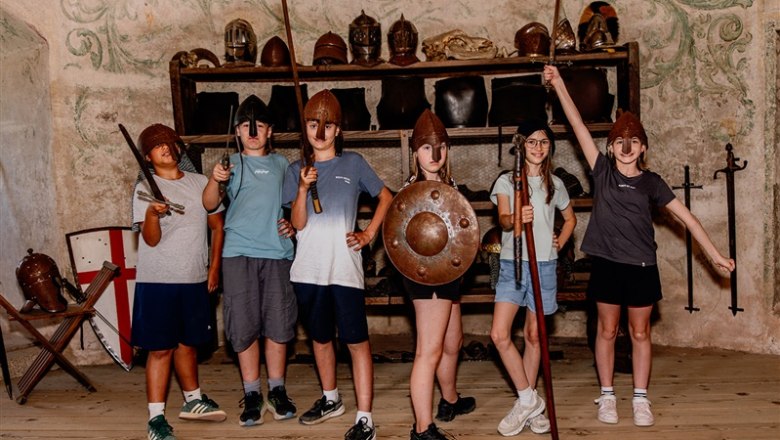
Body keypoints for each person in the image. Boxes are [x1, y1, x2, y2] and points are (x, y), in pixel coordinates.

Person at [544, 65, 735, 427]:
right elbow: (577, 126)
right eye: (619, 142)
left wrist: (716, 257)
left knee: (640, 332)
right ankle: (607, 394)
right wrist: (558, 86)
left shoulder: (652, 183)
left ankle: (641, 397)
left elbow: (688, 219)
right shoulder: (602, 171)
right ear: (611, 147)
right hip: (606, 263)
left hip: (642, 266)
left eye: (633, 142)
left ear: (643, 147)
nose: (626, 147)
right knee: (606, 330)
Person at [282, 89, 393, 440]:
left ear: (339, 130)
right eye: (314, 124)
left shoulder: (354, 163)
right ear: (306, 128)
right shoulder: (295, 169)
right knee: (319, 337)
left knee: (356, 341)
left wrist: (368, 235)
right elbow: (297, 224)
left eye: (327, 126)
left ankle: (365, 418)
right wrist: (301, 189)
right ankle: (331, 399)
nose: (320, 132)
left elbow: (386, 197)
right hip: (307, 270)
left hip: (344, 269)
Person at [202, 95, 298, 427]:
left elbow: (295, 205)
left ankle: (277, 390)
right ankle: (253, 394)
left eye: (259, 126)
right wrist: (216, 179)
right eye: (246, 125)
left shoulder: (283, 164)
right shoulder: (228, 163)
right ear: (238, 131)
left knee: (278, 324)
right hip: (238, 253)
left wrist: (293, 225)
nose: (253, 131)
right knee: (243, 326)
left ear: (270, 131)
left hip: (276, 253)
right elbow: (209, 203)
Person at [131, 123, 227, 440]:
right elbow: (151, 240)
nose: (166, 148)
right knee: (160, 349)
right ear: (147, 156)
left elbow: (216, 226)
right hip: (157, 281)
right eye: (158, 145)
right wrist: (151, 216)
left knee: (188, 343)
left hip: (193, 278)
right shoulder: (144, 188)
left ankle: (193, 400)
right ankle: (155, 419)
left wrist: (213, 269)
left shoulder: (200, 184)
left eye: (170, 143)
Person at [489, 120, 577, 436]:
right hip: (514, 264)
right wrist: (515, 218)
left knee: (534, 336)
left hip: (544, 266)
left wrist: (561, 241)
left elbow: (571, 218)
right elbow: (501, 217)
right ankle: (529, 398)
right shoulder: (507, 181)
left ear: (549, 147)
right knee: (499, 334)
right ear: (521, 146)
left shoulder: (556, 184)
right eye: (532, 142)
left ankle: (528, 407)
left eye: (543, 142)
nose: (538, 147)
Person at [401, 109, 477, 440]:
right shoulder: (412, 191)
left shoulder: (449, 185)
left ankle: (449, 400)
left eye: (441, 147)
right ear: (415, 152)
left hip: (451, 274)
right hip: (427, 276)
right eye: (427, 148)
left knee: (452, 341)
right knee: (428, 352)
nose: (435, 154)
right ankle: (422, 428)